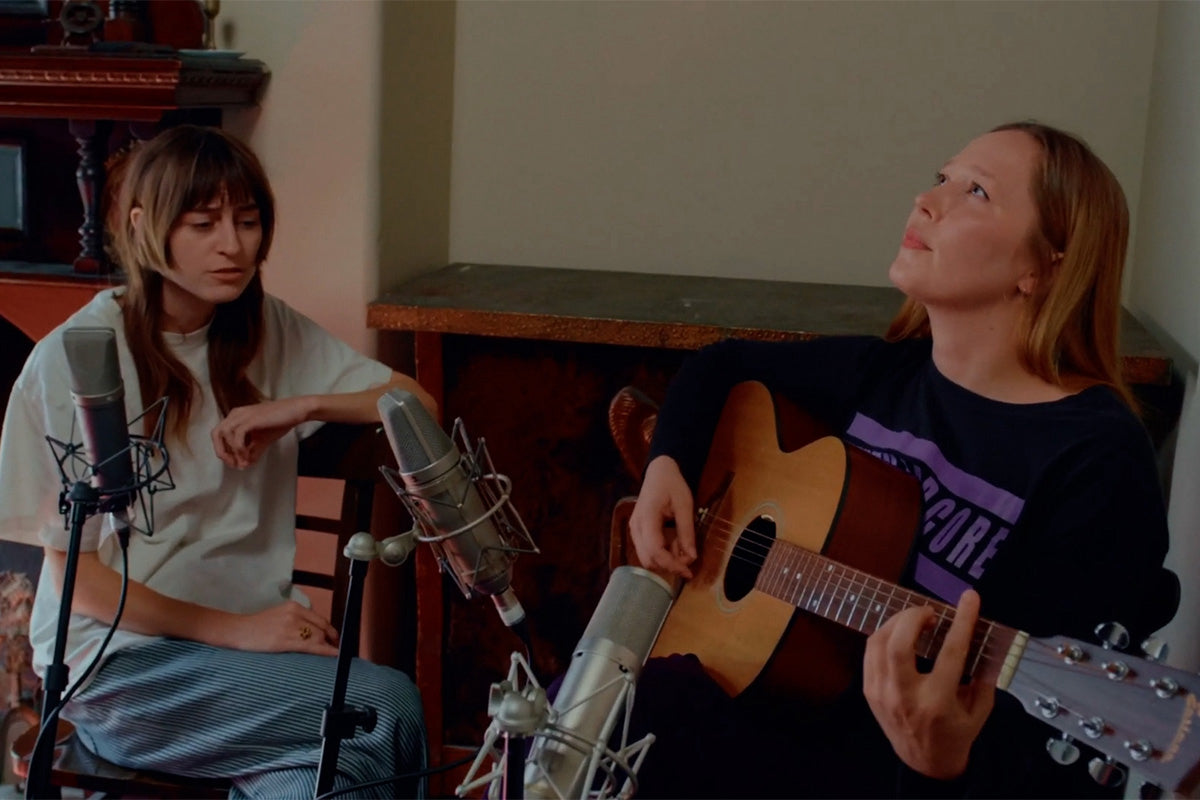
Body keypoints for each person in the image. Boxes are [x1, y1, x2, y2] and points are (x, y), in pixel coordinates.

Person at [625, 121, 1178, 798]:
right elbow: (721, 364)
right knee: (602, 706)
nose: (926, 199)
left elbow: (1040, 776)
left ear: (1044, 268)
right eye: (942, 177)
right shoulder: (886, 374)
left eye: (976, 191)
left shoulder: (1097, 460)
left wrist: (935, 763)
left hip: (876, 778)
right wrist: (667, 465)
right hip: (769, 711)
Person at [0, 125, 433, 798]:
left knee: (328, 774)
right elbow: (80, 582)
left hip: (245, 664)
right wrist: (241, 630)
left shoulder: (268, 330)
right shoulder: (79, 355)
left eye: (248, 221)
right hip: (118, 668)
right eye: (203, 224)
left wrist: (294, 406)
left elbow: (414, 403)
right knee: (382, 705)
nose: (233, 245)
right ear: (144, 226)